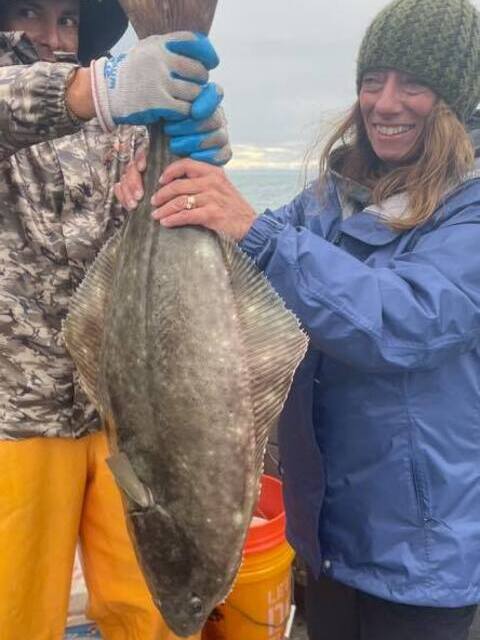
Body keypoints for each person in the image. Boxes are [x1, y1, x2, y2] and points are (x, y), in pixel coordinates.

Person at [118, 0, 480, 638]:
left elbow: (406, 321)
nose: (385, 103)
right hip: (329, 541)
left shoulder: (468, 209)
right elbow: (236, 252)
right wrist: (178, 178)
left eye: (414, 85)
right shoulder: (330, 199)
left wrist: (251, 229)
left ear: (457, 100)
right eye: (373, 82)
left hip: (425, 557)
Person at [0, 1, 231, 639]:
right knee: (12, 611)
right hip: (16, 416)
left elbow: (155, 197)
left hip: (123, 408)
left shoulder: (116, 118)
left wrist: (195, 134)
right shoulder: (83, 92)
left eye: (68, 21)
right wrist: (93, 89)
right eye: (29, 14)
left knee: (147, 607)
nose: (52, 35)